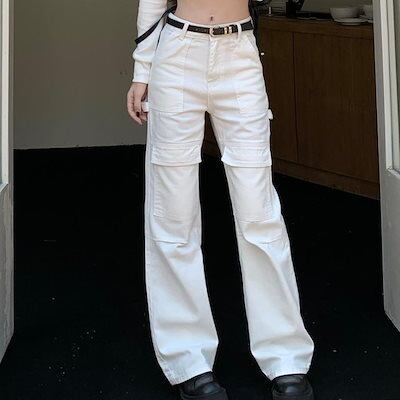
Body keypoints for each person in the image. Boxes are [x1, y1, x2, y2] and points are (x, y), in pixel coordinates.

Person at [126, 1, 315, 399]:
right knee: (173, 212)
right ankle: (188, 360)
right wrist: (142, 69)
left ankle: (285, 356)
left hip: (238, 51)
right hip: (177, 53)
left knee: (259, 211)